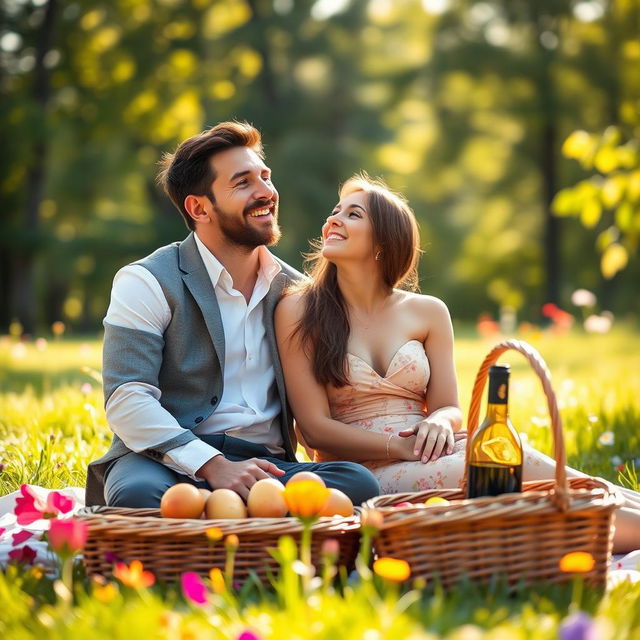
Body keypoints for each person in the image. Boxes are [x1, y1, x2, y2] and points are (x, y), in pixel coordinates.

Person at [274, 173, 640, 553]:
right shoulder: (299, 309)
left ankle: (621, 512)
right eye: (334, 212)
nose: (333, 220)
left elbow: (449, 406)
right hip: (361, 472)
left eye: (352, 215)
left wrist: (436, 422)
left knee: (531, 475)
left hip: (432, 451)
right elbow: (314, 429)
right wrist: (396, 448)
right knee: (498, 471)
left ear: (385, 239)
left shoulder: (428, 311)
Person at [85, 122, 380, 509]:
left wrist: (417, 429)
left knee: (355, 483)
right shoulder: (146, 280)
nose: (266, 193)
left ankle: (237, 529)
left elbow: (325, 403)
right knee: (138, 497)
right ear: (199, 207)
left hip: (266, 467)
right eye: (243, 183)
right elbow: (127, 399)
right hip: (165, 460)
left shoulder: (297, 292)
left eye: (266, 177)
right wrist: (211, 464)